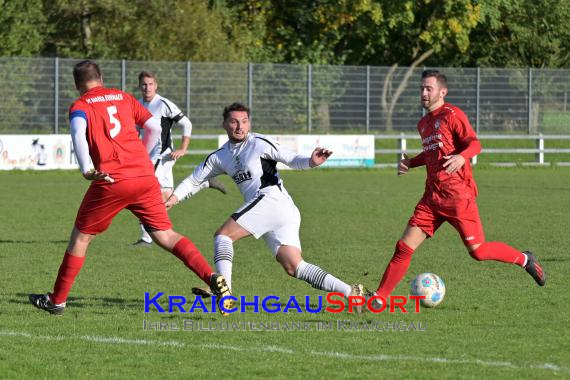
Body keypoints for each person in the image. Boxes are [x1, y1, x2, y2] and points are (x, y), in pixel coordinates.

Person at [29, 60, 232, 316]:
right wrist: (145, 157)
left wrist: (86, 168)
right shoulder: (123, 96)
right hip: (145, 177)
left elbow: (78, 133)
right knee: (165, 234)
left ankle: (56, 300)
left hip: (111, 180)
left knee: (81, 237)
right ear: (100, 77)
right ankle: (212, 277)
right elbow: (154, 127)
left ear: (77, 85)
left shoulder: (80, 105)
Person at [367, 70, 546, 305]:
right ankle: (380, 298)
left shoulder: (452, 115)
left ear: (442, 92)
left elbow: (475, 144)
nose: (423, 92)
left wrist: (462, 157)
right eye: (421, 88)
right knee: (403, 246)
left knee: (478, 252)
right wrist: (411, 162)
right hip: (432, 198)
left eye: (428, 88)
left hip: (458, 196)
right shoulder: (424, 123)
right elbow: (433, 154)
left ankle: (525, 260)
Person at [165, 102, 363, 303]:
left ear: (249, 123)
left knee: (223, 236)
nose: (240, 126)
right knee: (294, 266)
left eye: (244, 121)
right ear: (224, 124)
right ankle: (352, 293)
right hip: (276, 209)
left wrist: (310, 161)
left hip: (272, 200)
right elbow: (193, 180)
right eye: (234, 122)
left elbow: (291, 159)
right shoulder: (220, 156)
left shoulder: (259, 143)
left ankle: (226, 292)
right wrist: (174, 198)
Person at [133, 71, 226, 246]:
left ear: (156, 85)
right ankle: (204, 183)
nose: (147, 87)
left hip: (164, 155)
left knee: (145, 189)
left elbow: (186, 124)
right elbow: (137, 130)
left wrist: (183, 148)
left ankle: (146, 237)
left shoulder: (163, 104)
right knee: (167, 197)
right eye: (144, 84)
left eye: (151, 84)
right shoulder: (137, 105)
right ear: (139, 86)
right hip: (147, 157)